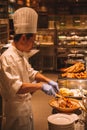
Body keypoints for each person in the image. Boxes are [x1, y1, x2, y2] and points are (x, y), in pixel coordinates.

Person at [0, 7, 59, 130]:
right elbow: (17, 87)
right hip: (15, 111)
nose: (33, 45)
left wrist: (48, 80)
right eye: (32, 41)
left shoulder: (20, 53)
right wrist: (40, 86)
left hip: (26, 106)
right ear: (23, 38)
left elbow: (31, 73)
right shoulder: (7, 57)